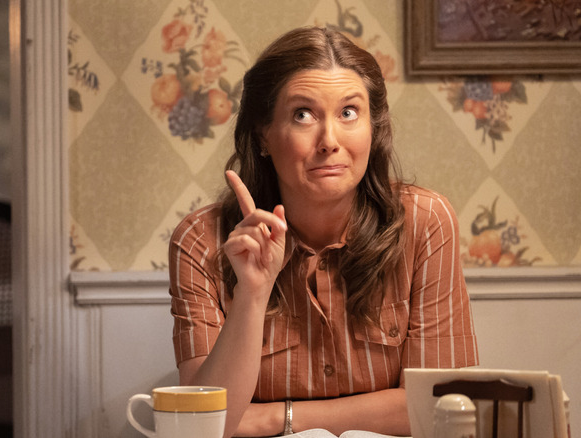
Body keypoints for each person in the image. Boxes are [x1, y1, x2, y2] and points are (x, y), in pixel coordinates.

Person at [168, 26, 478, 438]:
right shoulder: (201, 240)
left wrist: (276, 419)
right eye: (303, 114)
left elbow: (441, 406)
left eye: (349, 112)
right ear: (263, 135)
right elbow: (204, 425)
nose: (329, 140)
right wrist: (253, 295)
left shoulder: (426, 222)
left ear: (374, 127)